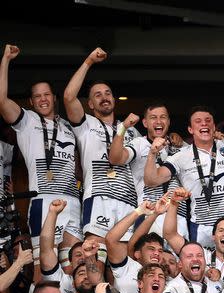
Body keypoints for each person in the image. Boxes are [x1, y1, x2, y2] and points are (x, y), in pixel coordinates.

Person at [0, 44, 82, 259]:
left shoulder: (68, 126)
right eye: (37, 96)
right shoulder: (27, 121)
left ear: (54, 97)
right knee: (43, 266)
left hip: (72, 201)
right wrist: (6, 60)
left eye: (47, 94)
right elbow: (1, 100)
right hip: (43, 200)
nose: (43, 99)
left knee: (72, 263)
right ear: (31, 101)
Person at [145, 103, 224, 249]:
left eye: (208, 120)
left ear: (214, 127)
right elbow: (151, 180)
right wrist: (152, 153)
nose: (204, 123)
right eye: (198, 121)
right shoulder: (181, 156)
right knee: (205, 270)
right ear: (190, 129)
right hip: (202, 228)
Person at [63, 47, 139, 242]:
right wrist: (89, 61)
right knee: (96, 255)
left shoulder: (130, 129)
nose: (104, 97)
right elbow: (69, 97)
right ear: (90, 104)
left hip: (128, 201)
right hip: (98, 197)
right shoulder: (85, 124)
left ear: (114, 99)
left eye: (107, 93)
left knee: (121, 262)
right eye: (98, 95)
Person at [107, 103, 188, 238]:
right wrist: (123, 128)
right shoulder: (139, 143)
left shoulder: (180, 145)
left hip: (178, 214)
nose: (158, 121)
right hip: (149, 212)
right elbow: (115, 159)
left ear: (168, 121)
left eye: (163, 117)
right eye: (153, 118)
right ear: (145, 123)